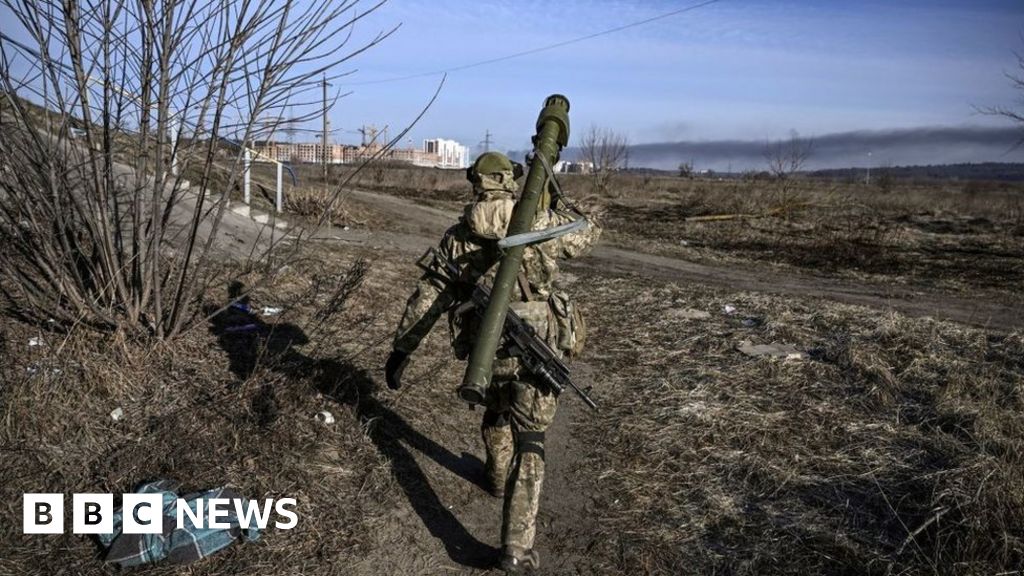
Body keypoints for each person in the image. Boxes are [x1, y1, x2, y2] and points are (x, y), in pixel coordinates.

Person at [384, 151, 600, 573]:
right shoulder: (538, 225)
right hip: (538, 344)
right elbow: (589, 233)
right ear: (511, 180)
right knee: (531, 439)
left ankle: (496, 478)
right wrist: (557, 198)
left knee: (496, 408)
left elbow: (430, 296)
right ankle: (516, 547)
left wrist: (402, 349)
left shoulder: (460, 236)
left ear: (476, 183)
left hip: (487, 352)